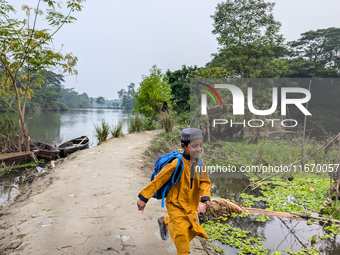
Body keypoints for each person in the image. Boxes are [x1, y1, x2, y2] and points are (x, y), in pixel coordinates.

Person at [137, 128, 211, 255]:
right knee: (181, 239)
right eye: (194, 146)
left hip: (191, 205)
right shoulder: (176, 164)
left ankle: (164, 220)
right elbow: (158, 180)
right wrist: (144, 198)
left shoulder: (199, 163)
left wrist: (205, 196)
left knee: (190, 229)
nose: (198, 149)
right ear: (183, 146)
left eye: (200, 146)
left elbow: (204, 181)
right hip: (175, 205)